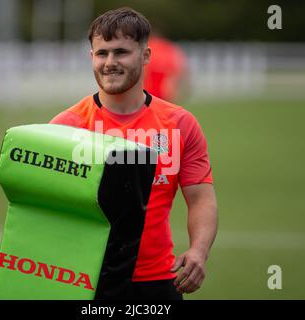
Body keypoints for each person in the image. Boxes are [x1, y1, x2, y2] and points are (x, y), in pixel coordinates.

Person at [50, 7, 218, 300]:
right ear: (91, 57)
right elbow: (45, 208)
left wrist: (198, 251)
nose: (110, 62)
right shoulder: (66, 127)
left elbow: (201, 197)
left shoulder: (180, 124)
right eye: (101, 53)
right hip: (84, 282)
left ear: (145, 56)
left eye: (121, 52)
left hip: (157, 283)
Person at [143, 33, 190, 103]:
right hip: (164, 89)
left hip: (149, 87)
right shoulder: (169, 48)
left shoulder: (145, 47)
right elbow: (179, 71)